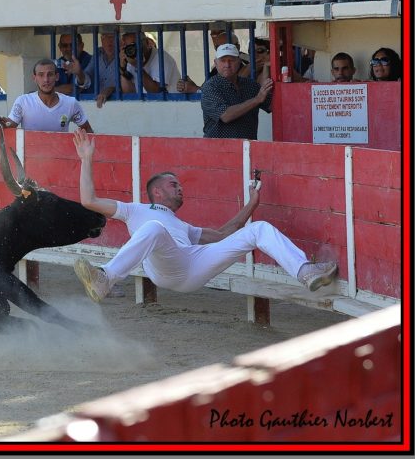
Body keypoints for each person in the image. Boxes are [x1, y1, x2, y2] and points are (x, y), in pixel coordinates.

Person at [70, 128, 339, 303]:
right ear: (157, 192)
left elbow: (224, 234)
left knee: (259, 229)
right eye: (173, 184)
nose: (180, 188)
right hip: (165, 268)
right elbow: (88, 200)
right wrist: (86, 160)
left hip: (192, 265)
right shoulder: (135, 210)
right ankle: (105, 278)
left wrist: (252, 204)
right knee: (153, 228)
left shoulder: (181, 224)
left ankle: (305, 272)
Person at [0, 58, 94, 133]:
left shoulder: (70, 103)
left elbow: (88, 131)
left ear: (57, 77)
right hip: (30, 159)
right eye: (41, 75)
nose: (46, 80)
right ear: (34, 78)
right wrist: (3, 124)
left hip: (60, 158)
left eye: (50, 74)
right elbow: (10, 124)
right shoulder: (23, 101)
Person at [200, 43, 273, 140]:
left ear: (239, 62)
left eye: (231, 60)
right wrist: (257, 99)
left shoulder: (250, 85)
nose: (227, 65)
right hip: (218, 150)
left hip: (247, 149)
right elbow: (226, 116)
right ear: (216, 63)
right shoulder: (210, 87)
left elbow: (271, 106)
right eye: (223, 60)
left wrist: (268, 66)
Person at [120, 31, 181, 95]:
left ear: (146, 42)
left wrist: (138, 66)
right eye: (128, 47)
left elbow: (156, 92)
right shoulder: (130, 59)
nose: (133, 50)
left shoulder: (161, 57)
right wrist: (123, 69)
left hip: (172, 103)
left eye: (135, 44)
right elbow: (129, 93)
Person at [94, 31, 119, 108]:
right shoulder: (98, 53)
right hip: (99, 104)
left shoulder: (124, 56)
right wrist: (79, 73)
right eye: (106, 37)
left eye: (112, 37)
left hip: (120, 104)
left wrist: (109, 90)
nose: (109, 41)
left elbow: (127, 85)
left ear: (119, 39)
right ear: (101, 40)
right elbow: (87, 76)